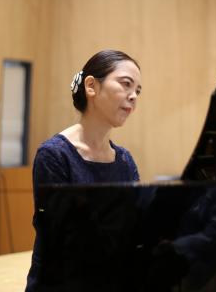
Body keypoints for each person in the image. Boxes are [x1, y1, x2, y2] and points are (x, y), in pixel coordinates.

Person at [25, 49, 142, 291]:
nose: (133, 96)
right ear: (91, 86)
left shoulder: (125, 161)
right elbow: (61, 237)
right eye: (126, 84)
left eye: (137, 91)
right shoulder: (55, 155)